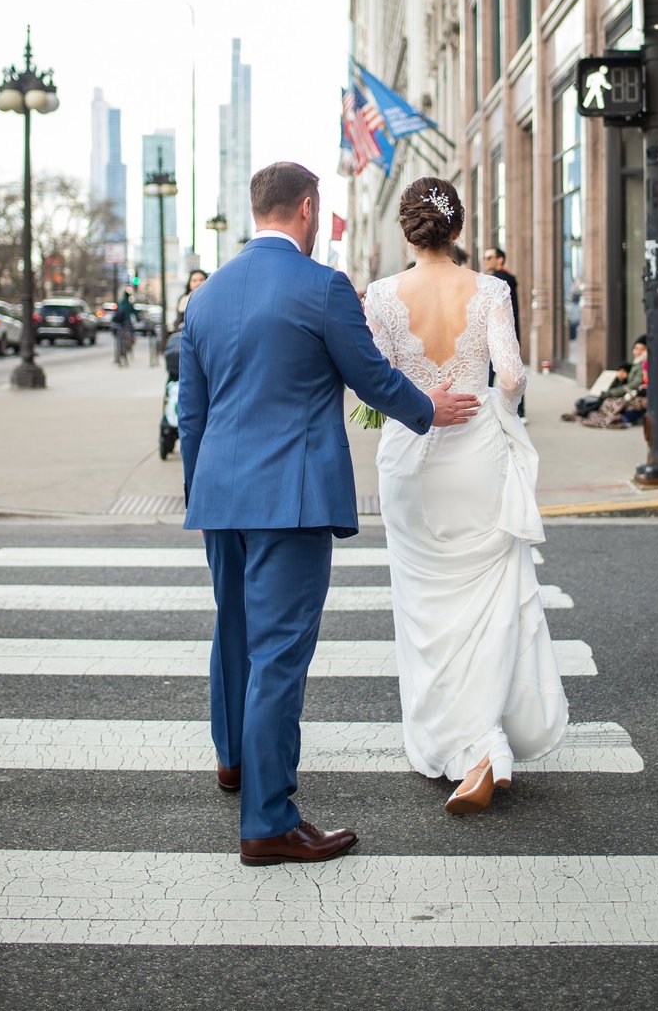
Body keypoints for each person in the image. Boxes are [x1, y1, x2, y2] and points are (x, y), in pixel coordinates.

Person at [177, 161, 480, 866]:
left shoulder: (207, 297)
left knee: (234, 634)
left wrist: (206, 492)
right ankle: (269, 822)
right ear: (308, 209)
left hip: (220, 496)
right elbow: (368, 373)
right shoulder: (322, 287)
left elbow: (191, 415)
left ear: (258, 211)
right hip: (292, 495)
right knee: (279, 656)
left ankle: (234, 762)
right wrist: (425, 410)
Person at [364, 176, 568, 816]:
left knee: (423, 609)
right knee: (486, 604)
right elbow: (509, 374)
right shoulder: (490, 290)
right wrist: (491, 401)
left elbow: (373, 383)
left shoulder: (380, 295)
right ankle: (484, 747)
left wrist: (422, 399)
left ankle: (462, 748)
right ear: (458, 229)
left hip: (409, 455)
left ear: (407, 229)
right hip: (476, 452)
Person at [483, 243, 524, 417]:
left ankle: (511, 410)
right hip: (507, 331)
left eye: (490, 257)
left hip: (500, 332)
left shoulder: (500, 280)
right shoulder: (502, 278)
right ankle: (518, 410)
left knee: (501, 373)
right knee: (509, 370)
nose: (486, 261)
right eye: (485, 257)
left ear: (500, 259)